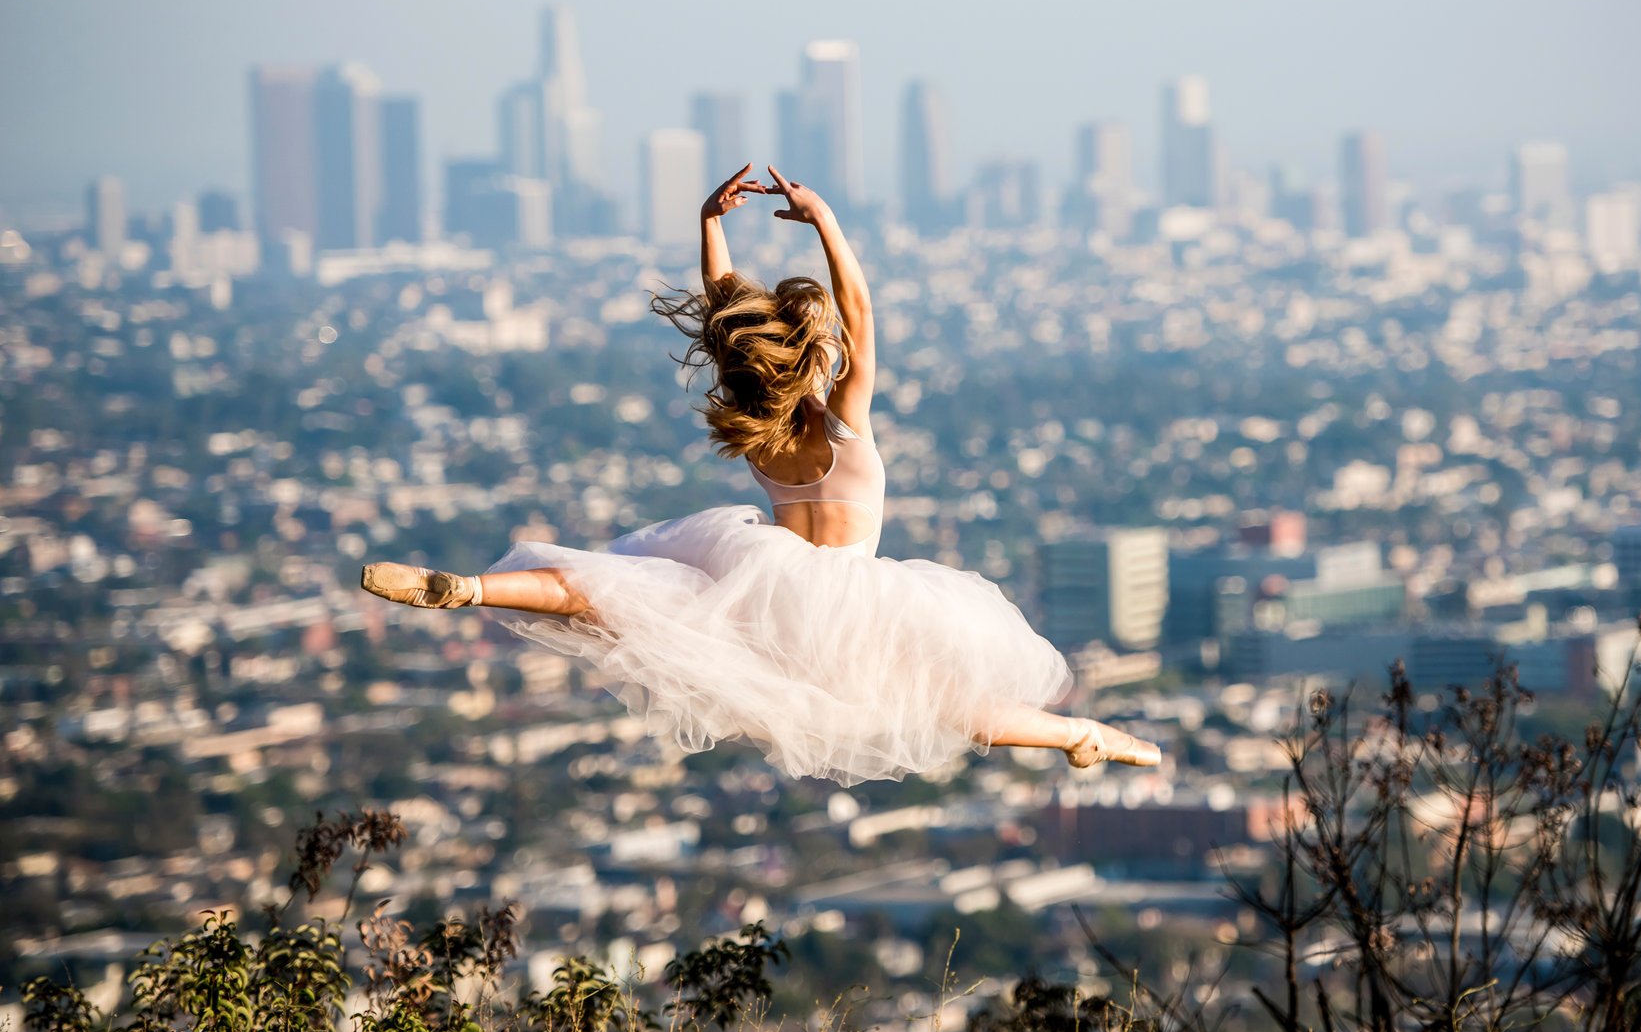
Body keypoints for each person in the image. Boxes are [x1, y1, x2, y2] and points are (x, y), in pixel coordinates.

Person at [361, 165, 1159, 784]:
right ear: (807, 361)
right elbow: (862, 312)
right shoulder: (840, 427)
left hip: (764, 587)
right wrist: (827, 223)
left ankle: (468, 587)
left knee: (600, 593)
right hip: (850, 603)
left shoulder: (758, 435)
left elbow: (722, 321)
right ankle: (1081, 735)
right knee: (948, 708)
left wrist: (710, 224)